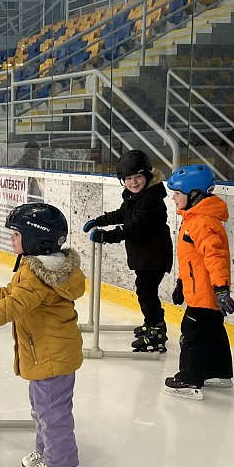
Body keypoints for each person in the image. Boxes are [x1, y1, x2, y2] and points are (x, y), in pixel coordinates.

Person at [0, 203, 86, 467]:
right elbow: (11, 292)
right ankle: (47, 451)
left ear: (36, 238)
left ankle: (62, 462)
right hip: (47, 352)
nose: (12, 239)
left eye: (17, 235)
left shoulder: (37, 275)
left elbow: (16, 303)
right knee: (42, 408)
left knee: (51, 412)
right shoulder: (39, 267)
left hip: (51, 355)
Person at [83, 149, 173, 352]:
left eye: (138, 177)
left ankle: (156, 332)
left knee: (146, 292)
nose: (134, 182)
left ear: (147, 175)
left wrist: (107, 236)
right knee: (145, 291)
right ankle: (152, 325)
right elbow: (122, 214)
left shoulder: (151, 199)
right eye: (129, 179)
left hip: (154, 256)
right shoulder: (136, 196)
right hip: (145, 255)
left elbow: (135, 227)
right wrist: (99, 221)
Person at [162, 164, 234, 401]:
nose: (173, 198)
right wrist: (181, 283)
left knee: (192, 333)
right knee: (213, 331)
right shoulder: (194, 219)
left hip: (205, 293)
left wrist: (221, 288)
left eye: (177, 193)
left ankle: (189, 379)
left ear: (194, 194)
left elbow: (215, 257)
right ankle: (218, 372)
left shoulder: (201, 222)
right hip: (200, 290)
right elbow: (192, 260)